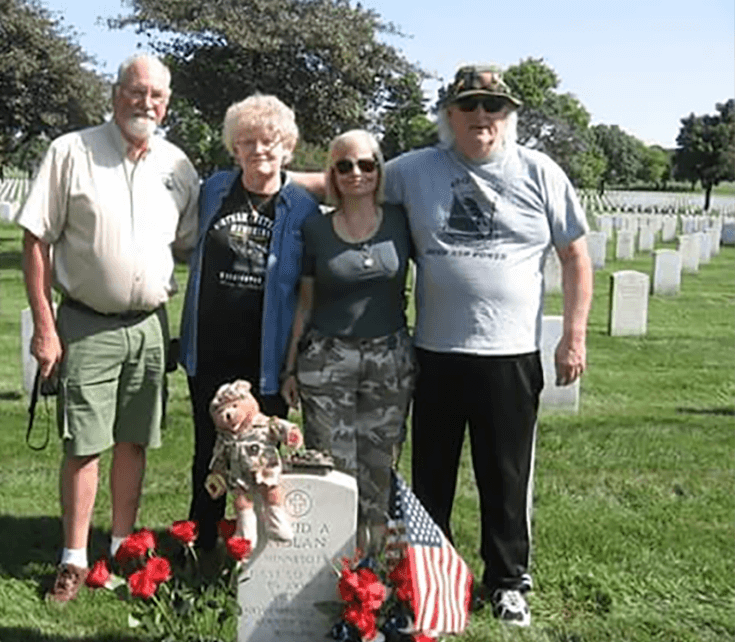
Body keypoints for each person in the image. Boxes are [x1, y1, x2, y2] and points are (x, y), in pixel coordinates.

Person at [384, 65, 593, 627]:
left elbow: (576, 256)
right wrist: (272, 171)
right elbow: (345, 180)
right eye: (470, 105)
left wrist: (573, 336)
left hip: (509, 354)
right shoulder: (413, 171)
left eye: (494, 107)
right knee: (433, 474)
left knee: (505, 475)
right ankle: (431, 577)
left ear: (509, 116)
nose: (482, 117)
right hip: (436, 351)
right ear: (448, 115)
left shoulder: (540, 172)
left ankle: (507, 581)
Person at [16, 54, 199, 603]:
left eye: (158, 96)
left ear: (168, 104)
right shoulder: (71, 151)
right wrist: (45, 327)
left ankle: (123, 549)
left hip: (147, 327)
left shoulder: (177, 165)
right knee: (83, 445)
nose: (147, 103)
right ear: (116, 92)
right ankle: (73, 558)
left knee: (135, 441)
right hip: (86, 324)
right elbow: (35, 240)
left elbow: (190, 242)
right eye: (137, 91)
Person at [178, 94, 320, 553]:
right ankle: (200, 550)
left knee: (263, 459)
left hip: (266, 356)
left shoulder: (301, 207)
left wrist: (292, 364)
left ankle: (261, 560)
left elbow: (306, 291)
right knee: (210, 456)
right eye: (247, 142)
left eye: (269, 141)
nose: (259, 150)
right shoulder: (215, 190)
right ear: (234, 149)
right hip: (211, 351)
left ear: (288, 148)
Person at [279, 130, 415, 555]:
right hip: (327, 358)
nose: (356, 173)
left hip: (388, 359)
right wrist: (289, 367)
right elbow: (304, 303)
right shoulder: (315, 228)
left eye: (366, 164)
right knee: (333, 467)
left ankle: (377, 567)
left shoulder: (400, 219)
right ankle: (335, 566)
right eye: (344, 165)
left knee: (381, 463)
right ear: (332, 174)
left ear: (379, 169)